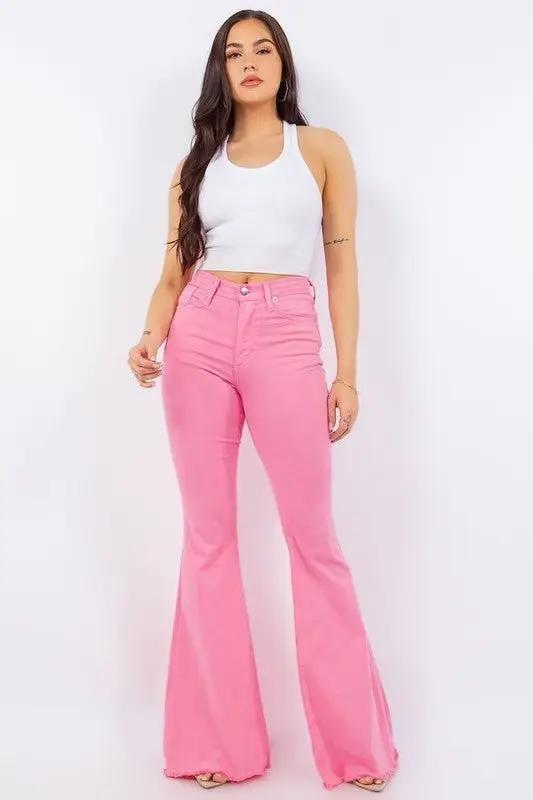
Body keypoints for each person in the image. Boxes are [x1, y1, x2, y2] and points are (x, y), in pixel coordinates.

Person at [127, 9, 400, 793]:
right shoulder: (195, 164)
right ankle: (215, 744)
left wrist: (346, 373)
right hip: (199, 335)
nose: (249, 62)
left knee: (313, 540)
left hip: (285, 334)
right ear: (220, 70)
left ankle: (356, 753)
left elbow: (341, 268)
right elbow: (174, 273)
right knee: (208, 540)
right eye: (233, 52)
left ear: (282, 64)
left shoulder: (319, 150)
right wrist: (149, 335)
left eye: (263, 49)